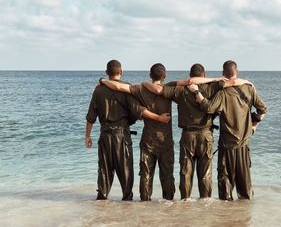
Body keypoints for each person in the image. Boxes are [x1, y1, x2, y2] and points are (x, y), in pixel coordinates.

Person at [142, 63, 250, 200]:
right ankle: (205, 203)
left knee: (185, 172)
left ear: (190, 76)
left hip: (187, 136)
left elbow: (159, 89)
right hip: (206, 135)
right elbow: (232, 82)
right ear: (204, 75)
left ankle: (185, 201)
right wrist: (247, 82)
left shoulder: (180, 90)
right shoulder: (213, 87)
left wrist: (145, 84)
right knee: (205, 173)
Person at [85, 60, 170, 201]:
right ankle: (127, 203)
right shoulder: (126, 88)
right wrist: (158, 118)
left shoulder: (98, 90)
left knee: (104, 171)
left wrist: (87, 136)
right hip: (122, 135)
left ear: (107, 73)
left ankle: (101, 205)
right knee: (125, 173)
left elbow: (90, 116)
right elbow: (139, 110)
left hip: (105, 135)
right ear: (121, 71)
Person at [189, 60, 268, 200]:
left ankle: (225, 216)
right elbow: (263, 110)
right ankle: (245, 216)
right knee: (245, 185)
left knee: (225, 182)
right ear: (236, 72)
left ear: (223, 74)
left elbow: (208, 108)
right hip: (244, 144)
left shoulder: (223, 93)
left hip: (226, 145)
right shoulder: (249, 88)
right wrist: (254, 127)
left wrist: (197, 93)